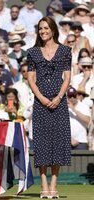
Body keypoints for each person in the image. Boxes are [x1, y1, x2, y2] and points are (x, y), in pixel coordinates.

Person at [27, 16, 71, 198]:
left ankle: (54, 184)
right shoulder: (32, 52)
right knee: (42, 144)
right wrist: (42, 98)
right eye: (40, 28)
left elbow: (67, 77)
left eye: (46, 28)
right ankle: (43, 184)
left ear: (53, 29)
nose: (43, 31)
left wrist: (59, 97)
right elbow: (30, 78)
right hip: (40, 104)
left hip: (59, 103)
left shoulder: (65, 51)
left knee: (58, 144)